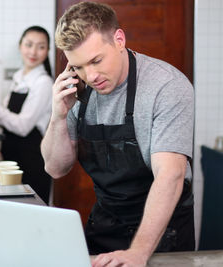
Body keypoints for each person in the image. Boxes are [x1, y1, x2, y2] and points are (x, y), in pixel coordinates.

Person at [40, 2, 195, 266]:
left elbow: (170, 175)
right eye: (78, 67)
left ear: (119, 40)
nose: (90, 76)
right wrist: (59, 115)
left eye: (96, 60)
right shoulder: (78, 90)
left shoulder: (166, 86)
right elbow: (56, 168)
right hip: (106, 225)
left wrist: (138, 252)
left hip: (162, 236)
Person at [0, 26, 53, 203]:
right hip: (11, 158)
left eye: (41, 46)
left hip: (31, 161)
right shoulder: (18, 79)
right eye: (29, 44)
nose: (33, 51)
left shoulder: (44, 83)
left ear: (47, 51)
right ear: (20, 46)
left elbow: (22, 127)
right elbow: (6, 118)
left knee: (31, 213)